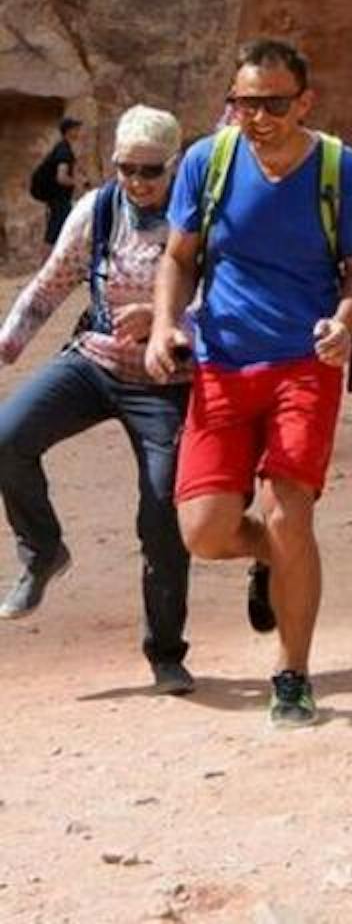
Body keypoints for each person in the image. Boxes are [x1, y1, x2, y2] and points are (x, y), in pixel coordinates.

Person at [147, 40, 352, 729]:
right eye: (245, 102)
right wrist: (166, 325)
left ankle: (292, 673)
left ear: (304, 102)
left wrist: (345, 322)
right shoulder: (207, 161)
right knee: (205, 531)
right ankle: (276, 563)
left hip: (301, 365)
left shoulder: (341, 170)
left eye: (273, 104)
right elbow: (179, 257)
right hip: (221, 362)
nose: (256, 117)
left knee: (290, 516)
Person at [0, 107, 194, 692]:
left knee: (162, 508)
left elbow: (227, 301)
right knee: (9, 437)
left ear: (176, 165)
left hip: (165, 381)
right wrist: (7, 344)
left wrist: (168, 317)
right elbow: (51, 284)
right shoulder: (100, 210)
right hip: (95, 361)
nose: (137, 181)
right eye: (126, 168)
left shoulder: (197, 219)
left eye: (150, 170)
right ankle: (42, 549)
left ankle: (165, 652)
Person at [28, 117, 82, 252]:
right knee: (55, 233)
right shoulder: (64, 150)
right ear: (69, 131)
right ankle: (46, 267)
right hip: (58, 198)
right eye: (76, 129)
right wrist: (78, 183)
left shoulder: (62, 147)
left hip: (57, 197)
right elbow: (61, 177)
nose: (79, 132)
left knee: (58, 231)